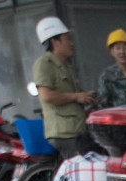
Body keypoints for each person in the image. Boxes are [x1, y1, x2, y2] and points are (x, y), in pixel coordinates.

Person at [33, 17, 96, 160]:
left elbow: (73, 95)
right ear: (55, 42)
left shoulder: (67, 66)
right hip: (64, 132)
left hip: (77, 129)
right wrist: (76, 96)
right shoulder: (44, 64)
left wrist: (86, 96)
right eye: (67, 39)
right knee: (79, 171)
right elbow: (47, 96)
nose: (72, 43)